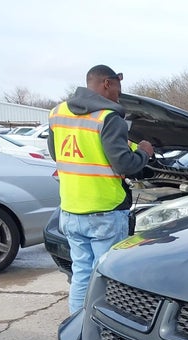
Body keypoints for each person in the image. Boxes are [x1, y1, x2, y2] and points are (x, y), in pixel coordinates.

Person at [48, 64, 155, 314]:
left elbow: (58, 154)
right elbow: (125, 165)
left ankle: (77, 325)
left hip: (71, 209)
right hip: (105, 211)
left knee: (82, 273)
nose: (120, 93)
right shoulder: (108, 118)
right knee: (106, 277)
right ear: (107, 83)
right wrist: (143, 152)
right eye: (118, 86)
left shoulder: (57, 113)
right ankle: (101, 329)